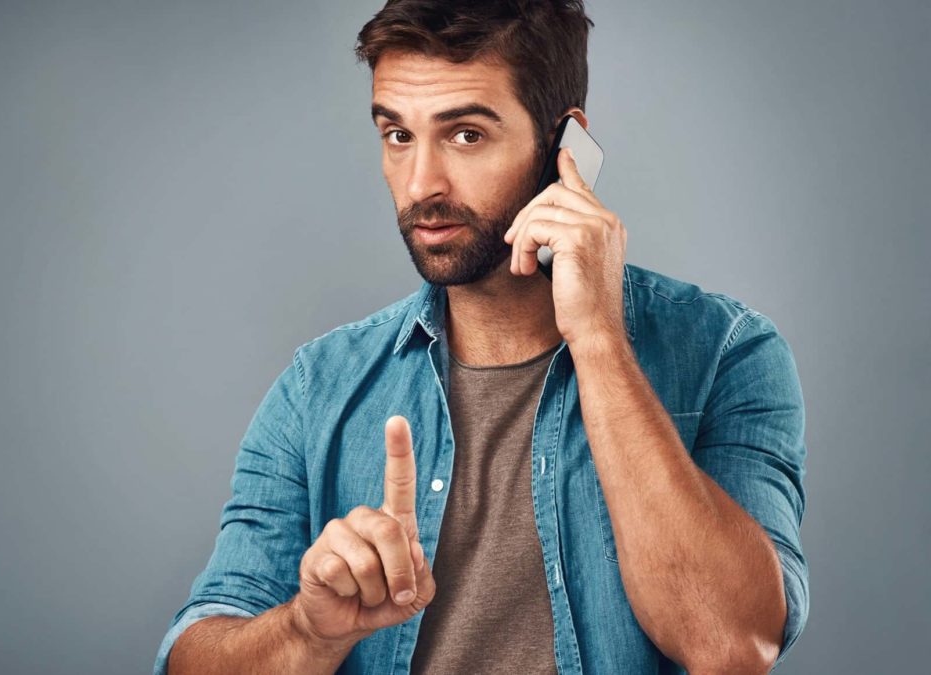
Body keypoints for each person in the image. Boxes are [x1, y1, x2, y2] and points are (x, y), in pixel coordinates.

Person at [154, 1, 809, 673]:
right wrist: (309, 630)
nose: (420, 185)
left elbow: (731, 642)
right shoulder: (317, 387)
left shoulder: (729, 353)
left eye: (466, 134)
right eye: (397, 135)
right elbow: (194, 653)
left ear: (564, 148)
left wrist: (599, 340)